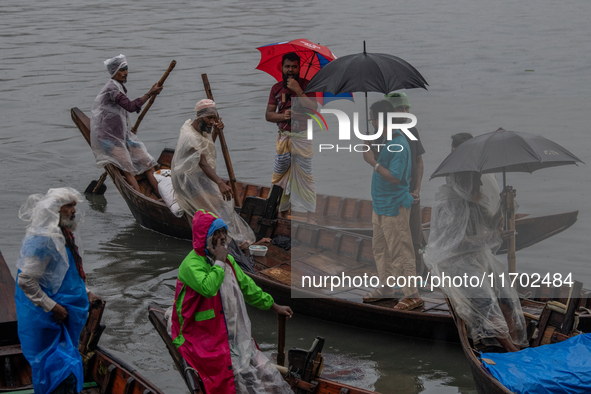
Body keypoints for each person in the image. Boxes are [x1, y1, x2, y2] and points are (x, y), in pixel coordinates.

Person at [171, 209, 294, 393]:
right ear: (204, 237)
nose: (221, 238)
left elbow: (247, 286)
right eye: (216, 234)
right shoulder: (191, 264)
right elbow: (208, 288)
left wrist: (274, 306)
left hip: (224, 325)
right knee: (220, 372)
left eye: (223, 233)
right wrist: (219, 262)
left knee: (256, 366)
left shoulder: (227, 260)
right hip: (199, 330)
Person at [424, 171, 528, 352]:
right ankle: (512, 351)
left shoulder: (475, 201)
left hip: (478, 257)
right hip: (454, 263)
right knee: (487, 303)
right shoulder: (447, 204)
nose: (480, 183)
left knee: (507, 297)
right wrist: (493, 237)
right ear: (465, 180)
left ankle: (518, 345)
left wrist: (504, 205)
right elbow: (455, 244)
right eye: (476, 179)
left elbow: (490, 223)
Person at [15, 188, 95, 394]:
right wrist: (52, 306)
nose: (73, 211)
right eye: (69, 206)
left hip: (64, 313)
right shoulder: (42, 240)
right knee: (56, 368)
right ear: (54, 210)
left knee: (64, 362)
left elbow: (64, 271)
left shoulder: (63, 234)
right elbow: (25, 280)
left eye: (74, 206)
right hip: (47, 316)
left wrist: (84, 291)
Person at [361, 100, 423, 310]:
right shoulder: (384, 140)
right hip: (380, 204)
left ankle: (412, 294)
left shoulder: (400, 142)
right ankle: (387, 287)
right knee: (380, 248)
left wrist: (373, 162)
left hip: (395, 205)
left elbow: (396, 178)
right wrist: (371, 150)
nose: (372, 123)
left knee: (400, 250)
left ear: (380, 119)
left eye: (372, 119)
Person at [171, 99, 255, 246]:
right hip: (186, 181)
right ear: (199, 116)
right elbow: (203, 162)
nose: (211, 121)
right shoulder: (190, 136)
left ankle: (236, 237)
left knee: (224, 203)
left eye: (214, 118)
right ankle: (227, 242)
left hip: (199, 176)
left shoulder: (201, 129)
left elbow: (207, 148)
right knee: (211, 209)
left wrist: (216, 130)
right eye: (209, 118)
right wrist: (220, 182)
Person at [90, 54, 162, 195]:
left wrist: (150, 93)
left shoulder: (119, 86)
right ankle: (140, 198)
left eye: (126, 69)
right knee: (128, 168)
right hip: (109, 139)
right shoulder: (112, 88)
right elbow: (129, 106)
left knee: (147, 162)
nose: (125, 73)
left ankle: (161, 195)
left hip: (123, 136)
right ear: (114, 72)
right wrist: (150, 93)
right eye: (121, 70)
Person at [265, 52, 317, 214]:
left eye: (294, 66)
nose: (290, 70)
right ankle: (279, 211)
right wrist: (283, 116)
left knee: (305, 175)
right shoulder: (276, 88)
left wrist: (298, 90)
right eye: (287, 66)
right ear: (282, 68)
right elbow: (269, 115)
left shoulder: (308, 86)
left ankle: (307, 213)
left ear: (299, 68)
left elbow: (313, 109)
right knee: (279, 175)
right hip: (284, 137)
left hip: (302, 137)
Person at [385, 92, 427, 277]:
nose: (405, 111)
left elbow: (419, 161)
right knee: (395, 239)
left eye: (407, 108)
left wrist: (416, 189)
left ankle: (416, 277)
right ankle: (396, 277)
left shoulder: (412, 131)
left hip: (412, 195)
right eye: (400, 108)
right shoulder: (383, 133)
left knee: (416, 239)